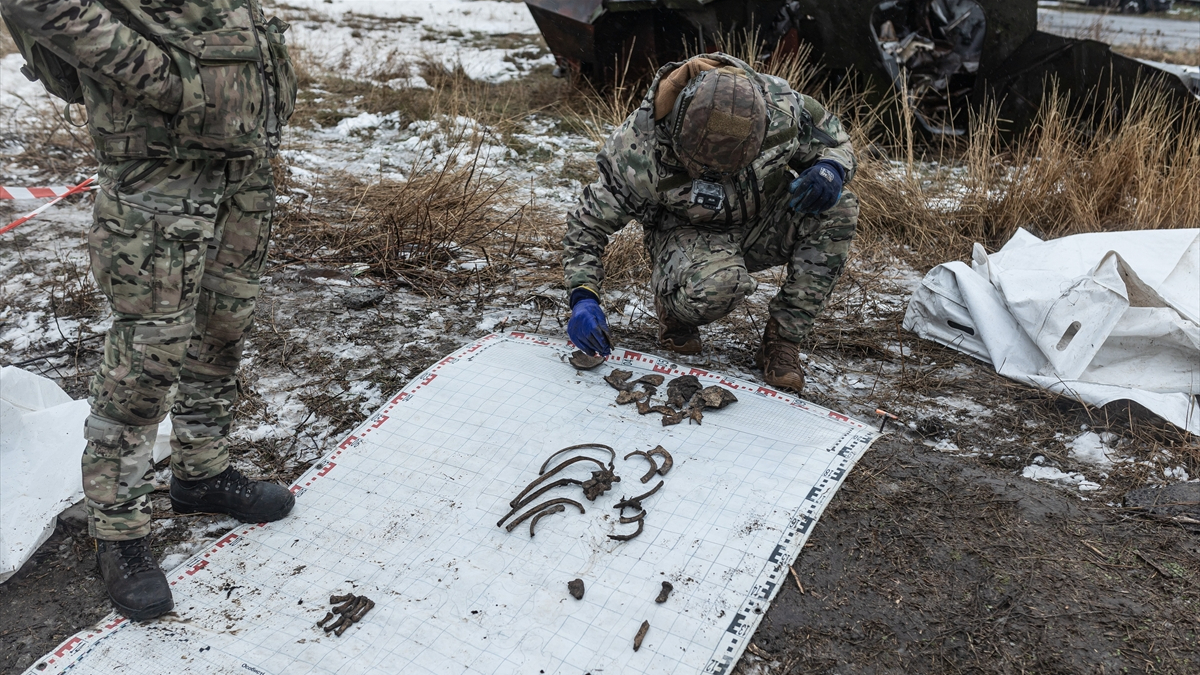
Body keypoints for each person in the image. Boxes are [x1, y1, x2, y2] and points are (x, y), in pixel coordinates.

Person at [4, 0, 299, 620]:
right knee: (147, 354)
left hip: (242, 161)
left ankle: (202, 471)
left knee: (225, 324)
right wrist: (166, 80)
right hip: (158, 169)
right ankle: (118, 527)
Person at [563, 53, 858, 393]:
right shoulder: (639, 148)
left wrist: (830, 169)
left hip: (762, 220)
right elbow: (586, 225)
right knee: (720, 285)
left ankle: (783, 341)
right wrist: (583, 296)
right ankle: (674, 304)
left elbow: (836, 142)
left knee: (839, 207)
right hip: (688, 234)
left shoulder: (782, 108)